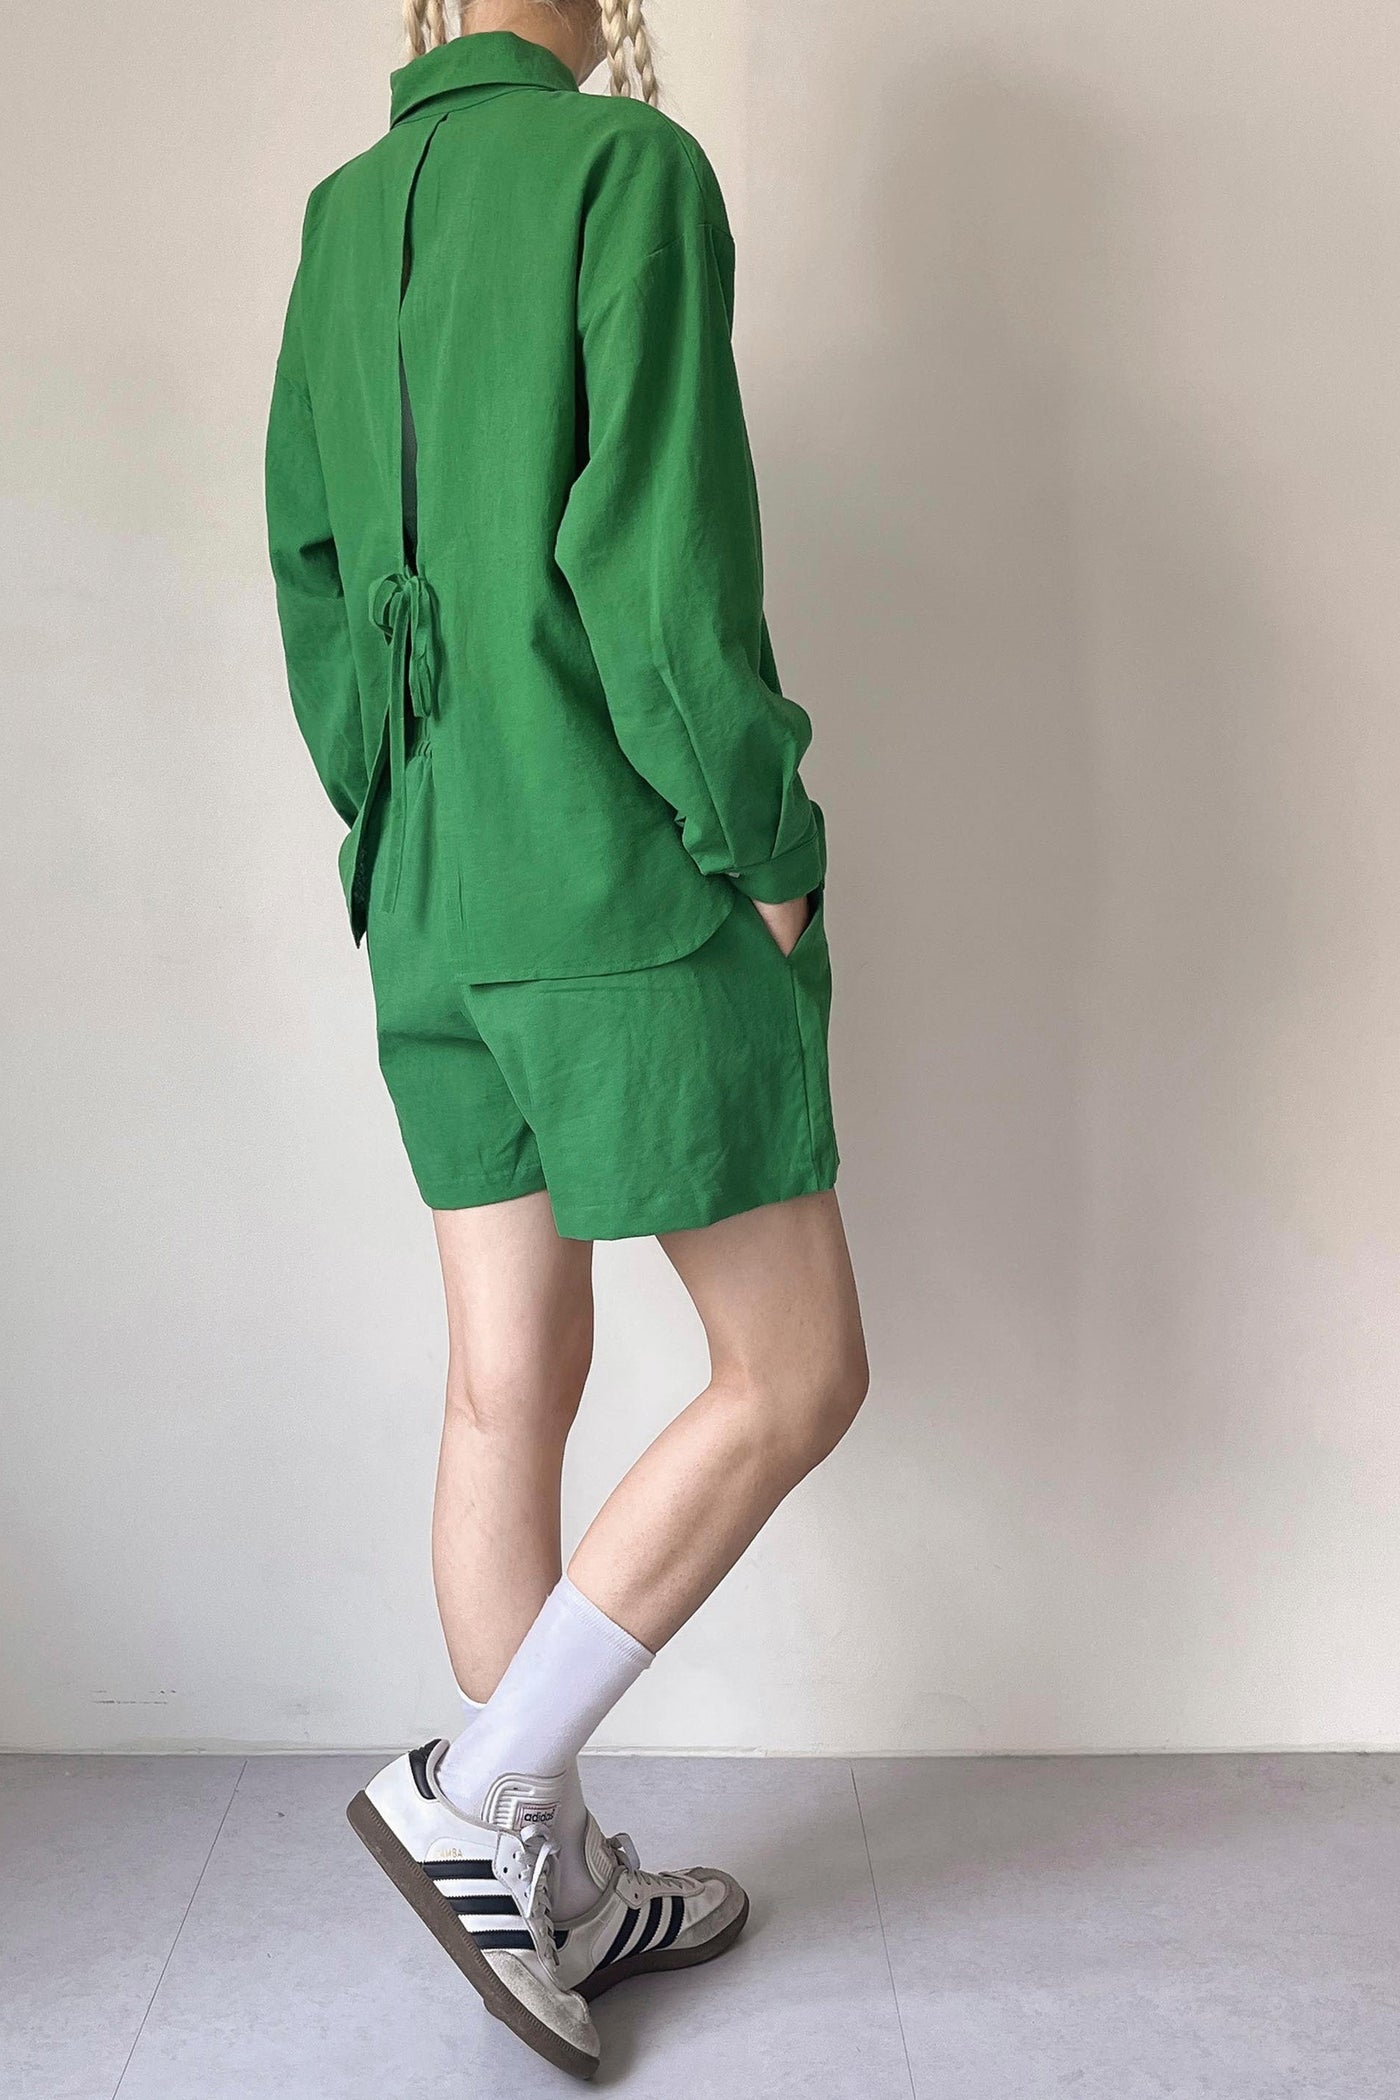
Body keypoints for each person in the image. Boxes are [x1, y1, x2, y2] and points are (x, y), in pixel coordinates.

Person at [264, 0, 868, 2078]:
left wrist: (400, 810)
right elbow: (658, 567)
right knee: (796, 1369)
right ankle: (482, 1792)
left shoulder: (342, 215)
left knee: (502, 1387)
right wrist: (763, 843)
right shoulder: (626, 169)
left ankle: (560, 1881)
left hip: (429, 886)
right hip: (609, 876)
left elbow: (315, 582)